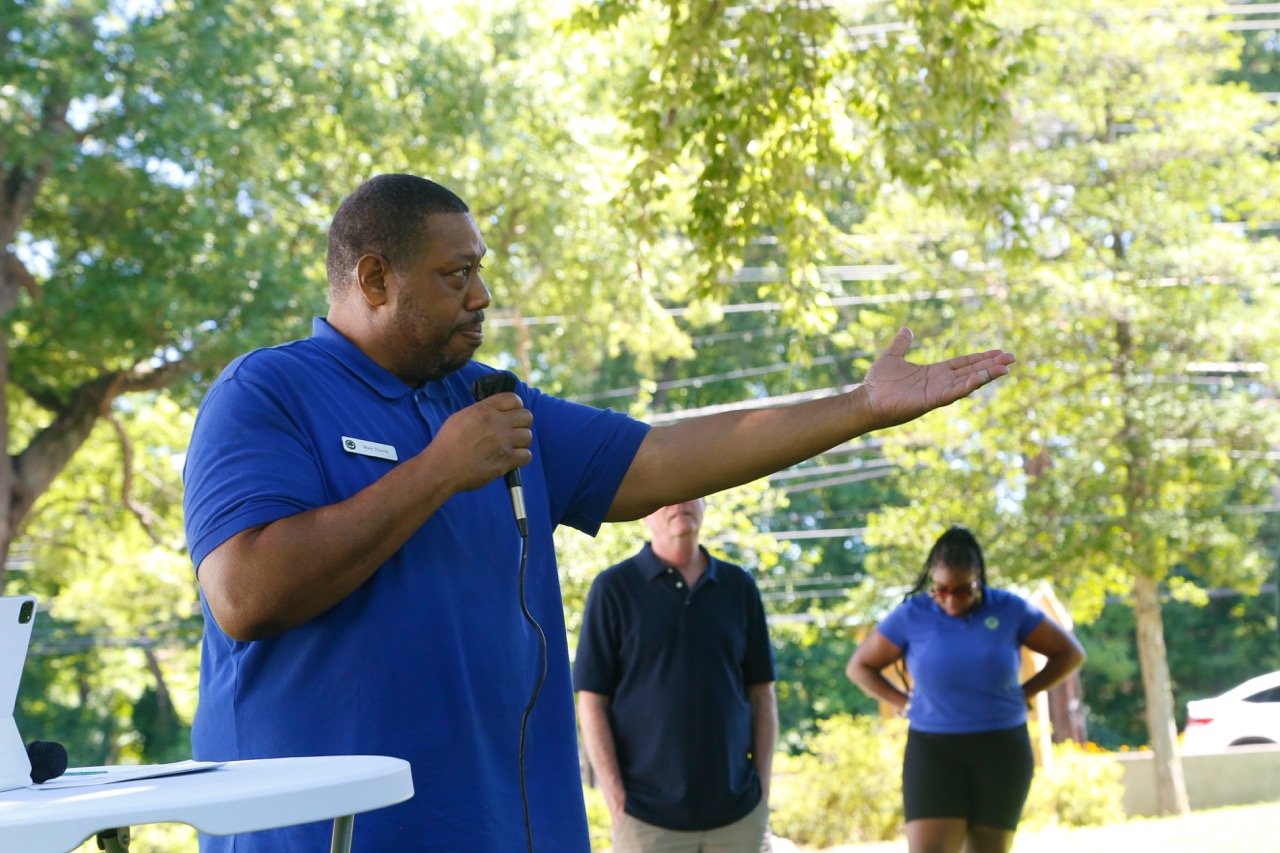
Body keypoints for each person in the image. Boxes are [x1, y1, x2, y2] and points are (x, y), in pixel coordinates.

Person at [182, 172, 1016, 852]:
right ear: (373, 278)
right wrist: (437, 470)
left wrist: (860, 406)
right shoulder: (268, 391)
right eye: (455, 273)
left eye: (480, 267)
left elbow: (657, 459)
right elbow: (246, 592)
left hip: (499, 829)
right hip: (322, 836)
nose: (481, 294)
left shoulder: (488, 400)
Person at [845, 526, 1085, 853]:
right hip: (933, 749)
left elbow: (1070, 653)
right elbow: (859, 666)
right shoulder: (912, 615)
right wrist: (904, 702)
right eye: (940, 590)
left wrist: (1025, 691)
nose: (950, 599)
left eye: (962, 590)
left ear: (979, 579)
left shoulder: (1009, 609)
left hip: (1001, 747)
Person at [574, 498, 777, 852]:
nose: (678, 502)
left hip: (739, 818)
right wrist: (617, 802)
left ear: (705, 504)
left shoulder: (739, 587)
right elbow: (591, 704)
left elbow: (762, 697)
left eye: (690, 492)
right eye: (664, 496)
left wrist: (762, 792)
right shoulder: (613, 588)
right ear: (644, 514)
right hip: (646, 821)